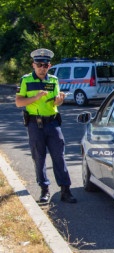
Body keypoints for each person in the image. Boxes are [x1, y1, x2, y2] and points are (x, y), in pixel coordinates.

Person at [15, 49, 77, 204]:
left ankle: (65, 190)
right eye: (39, 65)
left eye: (45, 65)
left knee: (59, 156)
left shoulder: (53, 80)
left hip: (53, 122)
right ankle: (44, 190)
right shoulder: (26, 80)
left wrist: (59, 100)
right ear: (33, 65)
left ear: (49, 66)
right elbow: (18, 102)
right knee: (39, 157)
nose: (42, 68)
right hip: (35, 124)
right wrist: (35, 97)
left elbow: (56, 102)